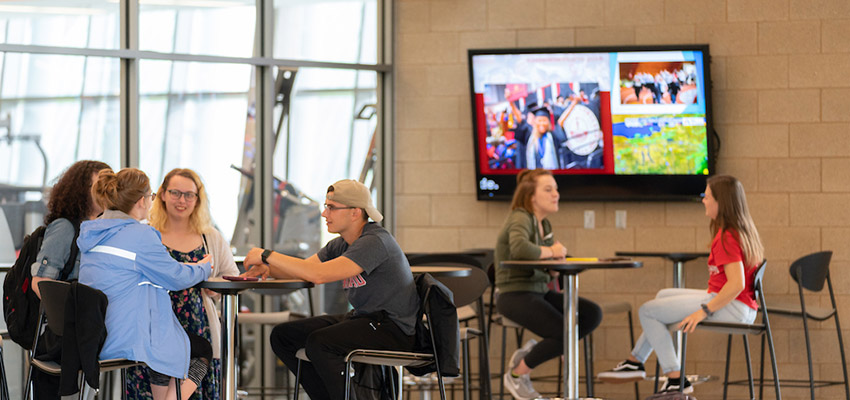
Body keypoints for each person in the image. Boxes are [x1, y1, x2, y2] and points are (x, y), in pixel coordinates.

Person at [241, 179, 419, 400]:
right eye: (326, 206)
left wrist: (268, 254)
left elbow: (318, 275)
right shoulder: (341, 244)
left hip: (393, 328)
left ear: (355, 213)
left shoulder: (375, 241)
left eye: (331, 207)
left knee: (321, 343)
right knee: (283, 336)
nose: (324, 214)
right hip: (365, 319)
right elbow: (307, 269)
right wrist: (267, 269)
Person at [597, 175, 763, 394]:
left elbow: (736, 285)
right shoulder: (739, 230)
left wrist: (702, 312)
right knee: (663, 296)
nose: (703, 200)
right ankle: (635, 361)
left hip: (732, 307)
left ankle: (675, 377)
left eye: (708, 196)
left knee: (648, 311)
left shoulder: (727, 237)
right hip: (740, 307)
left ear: (720, 203)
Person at [77, 168, 213, 400]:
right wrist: (204, 267)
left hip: (94, 333)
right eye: (150, 197)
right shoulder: (140, 235)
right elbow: (176, 277)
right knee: (201, 350)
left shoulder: (93, 231)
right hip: (125, 335)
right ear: (142, 200)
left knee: (165, 347)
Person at [124, 168, 239, 400]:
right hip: (153, 326)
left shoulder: (211, 237)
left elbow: (231, 276)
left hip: (199, 325)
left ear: (198, 200)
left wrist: (212, 287)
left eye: (189, 195)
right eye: (175, 193)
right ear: (163, 194)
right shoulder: (146, 233)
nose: (182, 200)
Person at [495, 169, 603, 400]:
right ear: (531, 196)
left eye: (556, 189)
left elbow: (548, 264)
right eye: (548, 189)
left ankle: (540, 352)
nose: (556, 194)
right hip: (515, 295)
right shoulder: (520, 216)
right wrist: (552, 251)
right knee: (565, 332)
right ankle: (516, 374)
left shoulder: (545, 224)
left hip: (539, 291)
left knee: (592, 314)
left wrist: (555, 262)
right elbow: (520, 249)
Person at [29, 160, 112, 400]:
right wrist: (70, 313)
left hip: (92, 327)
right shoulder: (65, 228)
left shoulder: (105, 230)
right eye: (99, 185)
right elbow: (39, 283)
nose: (105, 191)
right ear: (81, 190)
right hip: (66, 332)